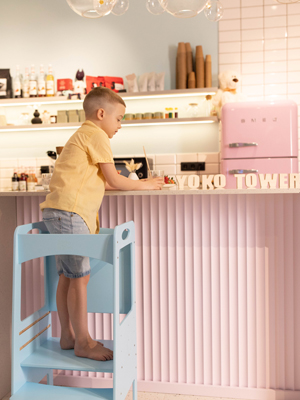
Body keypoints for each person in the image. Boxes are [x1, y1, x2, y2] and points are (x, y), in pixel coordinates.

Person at [40, 87, 163, 362]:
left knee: (67, 277)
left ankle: (68, 336)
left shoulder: (83, 134)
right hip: (71, 213)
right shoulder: (96, 135)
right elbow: (116, 180)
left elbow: (104, 182)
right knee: (80, 278)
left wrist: (137, 184)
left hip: (59, 212)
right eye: (119, 118)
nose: (120, 125)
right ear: (101, 113)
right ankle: (83, 342)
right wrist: (145, 184)